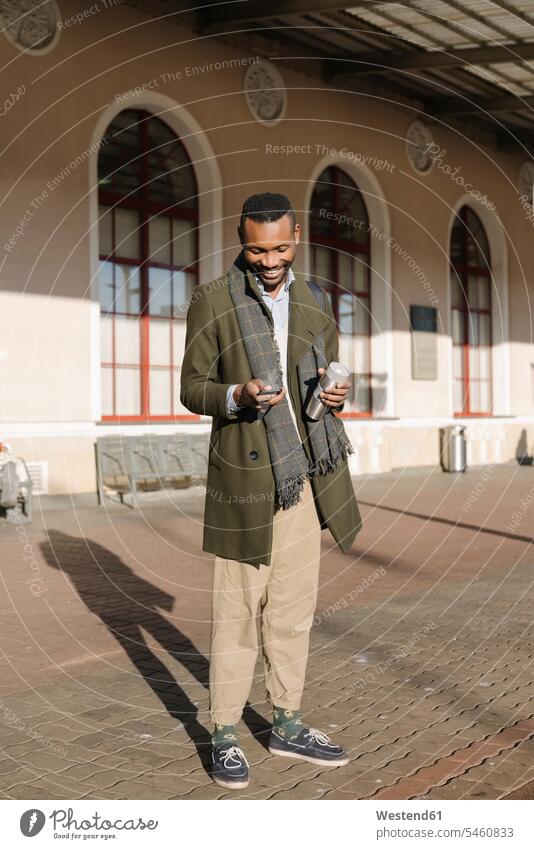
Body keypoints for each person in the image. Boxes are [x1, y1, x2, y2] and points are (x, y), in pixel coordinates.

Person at [180, 192, 363, 790]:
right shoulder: (213, 300)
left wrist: (338, 393)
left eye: (281, 247)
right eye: (257, 249)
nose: (269, 260)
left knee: (290, 612)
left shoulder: (313, 299)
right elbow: (192, 387)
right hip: (246, 482)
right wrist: (237, 395)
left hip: (305, 475)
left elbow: (327, 372)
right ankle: (226, 733)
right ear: (242, 240)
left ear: (297, 238)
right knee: (236, 613)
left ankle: (287, 721)